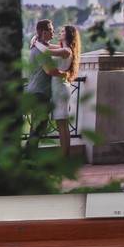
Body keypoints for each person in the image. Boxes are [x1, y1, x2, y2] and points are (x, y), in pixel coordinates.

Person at [33, 24, 80, 158]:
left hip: (60, 89)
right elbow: (47, 47)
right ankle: (65, 156)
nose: (59, 33)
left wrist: (36, 42)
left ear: (69, 35)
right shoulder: (63, 49)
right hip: (58, 88)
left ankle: (64, 158)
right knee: (62, 125)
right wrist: (35, 40)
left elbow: (46, 51)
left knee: (62, 126)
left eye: (62, 32)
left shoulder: (66, 51)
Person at [25, 18, 57, 149]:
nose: (53, 31)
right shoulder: (40, 50)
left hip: (35, 91)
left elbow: (56, 48)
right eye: (51, 29)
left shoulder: (40, 46)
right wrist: (65, 74)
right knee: (39, 126)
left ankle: (30, 156)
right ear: (44, 33)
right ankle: (28, 156)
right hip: (39, 93)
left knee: (38, 126)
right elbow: (48, 70)